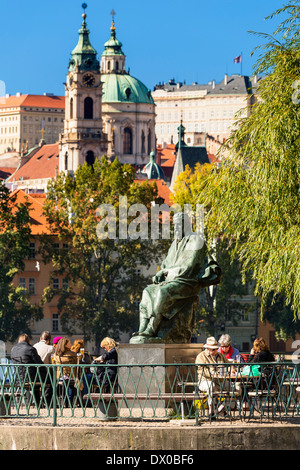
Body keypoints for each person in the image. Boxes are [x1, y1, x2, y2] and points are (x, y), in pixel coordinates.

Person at [130, 212, 221, 343]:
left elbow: (189, 266)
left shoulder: (196, 240)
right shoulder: (174, 244)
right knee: (147, 291)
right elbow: (166, 264)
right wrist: (160, 273)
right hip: (173, 280)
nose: (176, 228)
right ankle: (143, 329)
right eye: (175, 225)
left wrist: (166, 272)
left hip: (188, 281)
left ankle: (152, 329)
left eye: (179, 225)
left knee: (162, 292)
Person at [195, 336, 239, 418]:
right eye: (213, 349)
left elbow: (228, 366)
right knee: (211, 386)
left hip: (221, 381)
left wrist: (231, 369)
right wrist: (213, 374)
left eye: (216, 348)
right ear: (207, 348)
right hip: (205, 381)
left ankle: (221, 409)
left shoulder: (221, 355)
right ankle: (211, 412)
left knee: (235, 387)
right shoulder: (201, 356)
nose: (216, 350)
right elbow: (201, 370)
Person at [10, 333, 50, 406]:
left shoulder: (13, 349)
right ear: (28, 340)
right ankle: (47, 403)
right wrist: (45, 370)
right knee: (49, 380)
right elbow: (39, 363)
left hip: (18, 377)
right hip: (30, 377)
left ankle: (31, 402)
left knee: (33, 382)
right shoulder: (30, 349)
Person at [51, 337, 81, 405]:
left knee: (65, 384)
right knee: (71, 385)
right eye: (69, 343)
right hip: (71, 376)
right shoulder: (72, 354)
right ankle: (69, 402)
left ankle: (64, 401)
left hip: (60, 377)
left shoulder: (56, 355)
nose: (71, 344)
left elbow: (53, 365)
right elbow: (77, 364)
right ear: (65, 345)